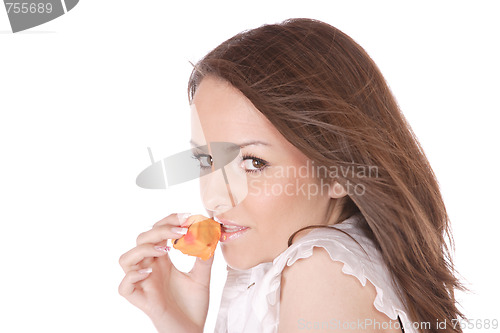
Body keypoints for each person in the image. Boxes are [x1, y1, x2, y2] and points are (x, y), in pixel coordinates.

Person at [118, 18, 466, 333]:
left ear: (338, 172)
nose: (214, 198)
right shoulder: (318, 263)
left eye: (253, 162)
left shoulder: (321, 268)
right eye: (206, 160)